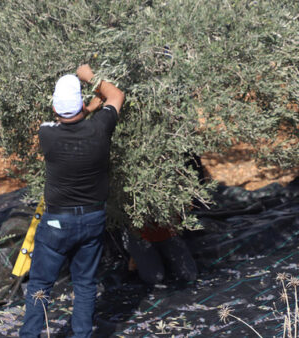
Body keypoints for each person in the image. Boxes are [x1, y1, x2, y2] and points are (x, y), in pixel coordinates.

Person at [21, 64, 125, 338]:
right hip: (92, 220)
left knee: (40, 284)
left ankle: (30, 334)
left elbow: (67, 118)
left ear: (55, 109)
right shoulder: (100, 130)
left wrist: (86, 109)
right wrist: (90, 76)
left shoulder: (47, 135)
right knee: (85, 284)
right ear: (80, 103)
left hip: (57, 223)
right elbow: (117, 96)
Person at [123, 224, 197, 286]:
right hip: (140, 237)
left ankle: (161, 256)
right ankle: (137, 256)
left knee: (190, 275)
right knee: (154, 278)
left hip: (167, 234)